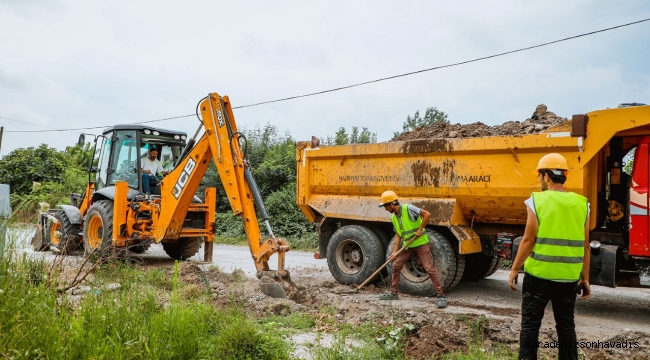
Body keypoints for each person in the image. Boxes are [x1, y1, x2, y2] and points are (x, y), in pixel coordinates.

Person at [508, 153, 591, 360]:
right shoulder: (582, 204)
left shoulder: (536, 201)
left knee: (530, 326)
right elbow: (585, 245)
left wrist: (514, 269)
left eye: (539, 176)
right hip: (568, 277)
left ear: (546, 176)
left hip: (538, 276)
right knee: (566, 326)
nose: (538, 181)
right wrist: (585, 278)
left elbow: (528, 241)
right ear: (564, 175)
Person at [378, 190, 447, 308]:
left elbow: (427, 214)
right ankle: (393, 293)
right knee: (396, 266)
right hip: (408, 245)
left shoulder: (408, 208)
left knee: (429, 268)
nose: (385, 209)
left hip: (420, 243)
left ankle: (441, 297)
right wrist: (395, 252)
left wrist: (420, 229)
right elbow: (398, 235)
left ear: (391, 204)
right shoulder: (394, 218)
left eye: (385, 206)